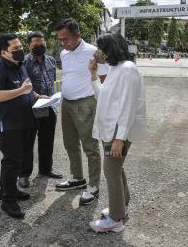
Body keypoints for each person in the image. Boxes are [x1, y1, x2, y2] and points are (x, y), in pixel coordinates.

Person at [87, 33, 146, 233]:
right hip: (111, 129)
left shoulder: (127, 70)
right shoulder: (116, 69)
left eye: (100, 48)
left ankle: (115, 219)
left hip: (118, 132)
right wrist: (93, 76)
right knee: (116, 169)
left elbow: (128, 106)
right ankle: (122, 206)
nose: (97, 52)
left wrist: (120, 139)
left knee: (111, 171)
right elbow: (103, 96)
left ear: (109, 49)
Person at [0, 33, 46, 219]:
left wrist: (37, 96)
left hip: (22, 121)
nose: (20, 51)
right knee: (12, 161)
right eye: (15, 49)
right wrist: (21, 91)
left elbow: (28, 87)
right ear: (4, 52)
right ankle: (8, 202)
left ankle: (7, 191)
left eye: (20, 47)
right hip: (6, 124)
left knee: (17, 159)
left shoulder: (20, 66)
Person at [54, 18, 101, 205]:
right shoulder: (65, 53)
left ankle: (94, 185)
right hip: (67, 102)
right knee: (70, 143)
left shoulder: (93, 52)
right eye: (60, 40)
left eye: (65, 39)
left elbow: (103, 77)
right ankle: (77, 178)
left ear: (78, 35)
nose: (63, 43)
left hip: (85, 102)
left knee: (90, 146)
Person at [18, 31, 63, 188]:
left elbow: (51, 82)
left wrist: (52, 98)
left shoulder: (51, 60)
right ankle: (23, 174)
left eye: (42, 43)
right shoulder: (23, 62)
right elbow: (22, 85)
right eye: (36, 43)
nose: (40, 45)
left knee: (47, 140)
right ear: (29, 45)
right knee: (27, 143)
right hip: (30, 108)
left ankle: (45, 169)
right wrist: (37, 96)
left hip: (49, 106)